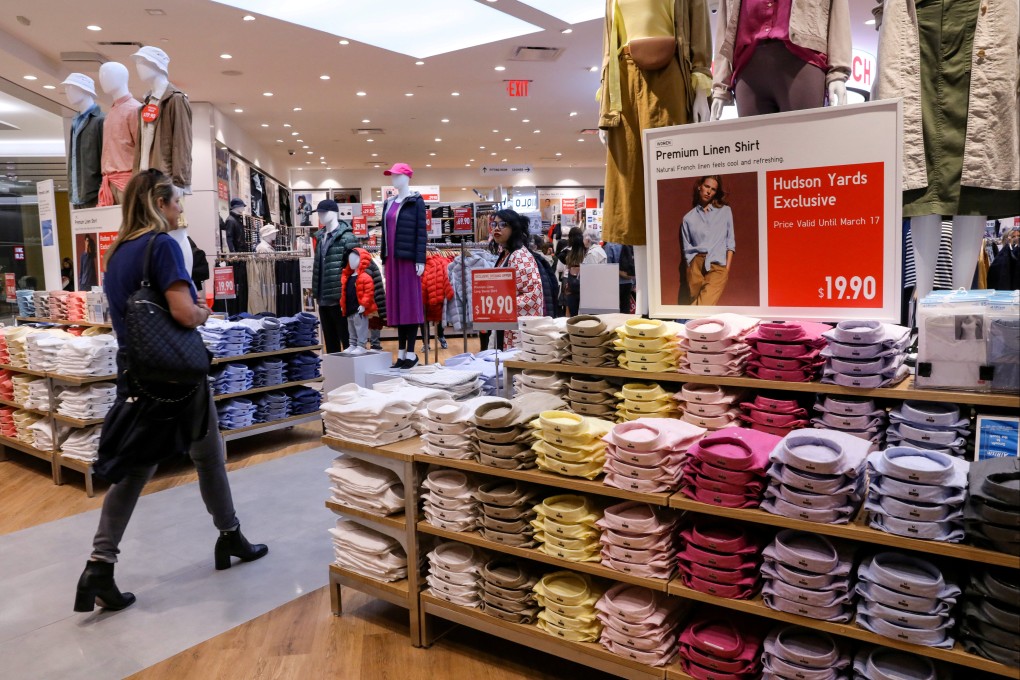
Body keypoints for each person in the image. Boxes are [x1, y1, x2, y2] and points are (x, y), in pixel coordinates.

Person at [75, 169, 266, 615]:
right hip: (178, 376)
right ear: (159, 204)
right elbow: (182, 312)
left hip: (138, 374)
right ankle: (230, 535)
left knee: (135, 469)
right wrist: (204, 312)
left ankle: (99, 566)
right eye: (177, 200)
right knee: (208, 456)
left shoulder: (118, 253)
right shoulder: (161, 246)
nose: (181, 208)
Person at [492, 209, 543, 349]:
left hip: (516, 329)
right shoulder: (507, 253)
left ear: (513, 228)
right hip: (506, 323)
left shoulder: (520, 256)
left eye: (503, 224)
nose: (496, 228)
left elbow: (532, 295)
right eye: (494, 224)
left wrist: (500, 306)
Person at [681, 176, 735, 306]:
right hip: (696, 266)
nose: (709, 191)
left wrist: (726, 270)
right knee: (694, 304)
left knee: (703, 305)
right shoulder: (688, 218)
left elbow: (730, 241)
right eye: (706, 187)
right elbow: (686, 248)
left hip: (717, 265)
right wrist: (691, 268)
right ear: (700, 186)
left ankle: (684, 324)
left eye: (713, 189)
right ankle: (686, 324)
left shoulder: (725, 211)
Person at [604, 242, 636, 313]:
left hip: (615, 282)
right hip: (629, 282)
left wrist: (620, 273)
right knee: (625, 308)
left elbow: (608, 266)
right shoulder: (629, 243)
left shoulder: (610, 245)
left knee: (613, 310)